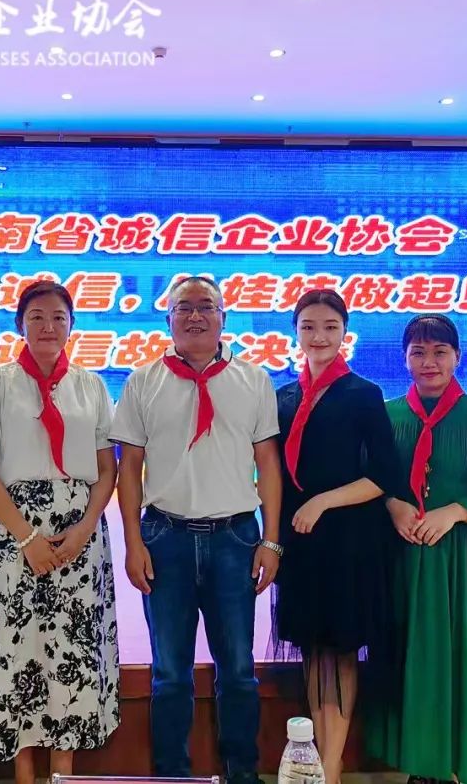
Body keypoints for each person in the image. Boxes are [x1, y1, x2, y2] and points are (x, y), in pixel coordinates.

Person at [111, 275, 283, 784]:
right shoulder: (143, 382)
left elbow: (268, 464)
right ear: (168, 319)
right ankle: (173, 774)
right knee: (169, 673)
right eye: (183, 307)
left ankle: (242, 772)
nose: (195, 316)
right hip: (166, 539)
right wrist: (133, 542)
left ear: (223, 317)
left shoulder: (253, 380)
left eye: (206, 306)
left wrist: (271, 540)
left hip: (236, 539)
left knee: (239, 670)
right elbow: (129, 468)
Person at [0, 280, 119, 784]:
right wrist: (27, 538)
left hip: (78, 534)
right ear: (20, 325)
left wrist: (84, 529)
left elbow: (107, 470)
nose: (48, 326)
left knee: (72, 649)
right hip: (11, 535)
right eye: (37, 317)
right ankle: (24, 772)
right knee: (14, 649)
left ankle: (63, 772)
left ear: (71, 325)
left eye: (58, 317)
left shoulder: (92, 386)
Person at [364, 313, 467, 784]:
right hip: (401, 555)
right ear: (404, 359)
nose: (428, 362)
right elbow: (369, 479)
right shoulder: (387, 416)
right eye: (418, 352)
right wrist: (392, 505)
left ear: (457, 356)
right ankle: (420, 764)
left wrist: (455, 512)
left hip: (458, 560)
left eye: (439, 352)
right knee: (409, 653)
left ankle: (460, 759)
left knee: (457, 653)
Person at [271, 289, 400, 784]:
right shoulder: (283, 396)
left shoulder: (363, 393)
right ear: (295, 332)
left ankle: (332, 766)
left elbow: (383, 476)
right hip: (301, 543)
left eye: (329, 327)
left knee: (341, 650)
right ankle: (315, 759)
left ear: (345, 332)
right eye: (308, 326)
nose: (318, 336)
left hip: (347, 542)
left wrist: (323, 501)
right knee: (312, 649)